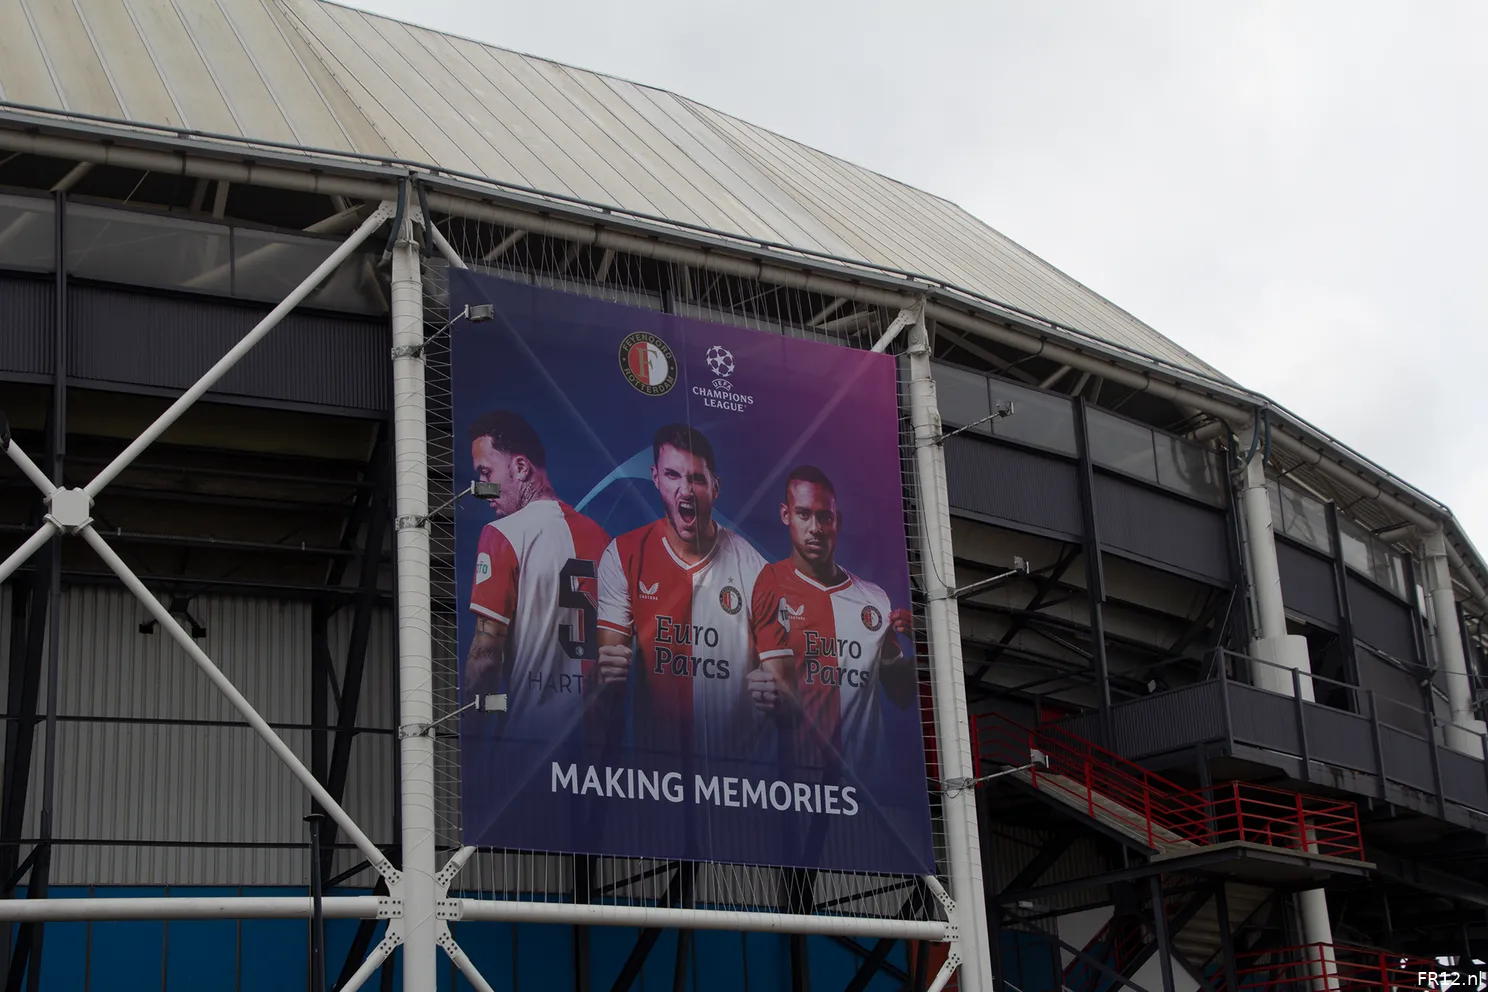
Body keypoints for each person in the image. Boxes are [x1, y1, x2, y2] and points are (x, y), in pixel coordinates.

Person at [594, 423, 768, 760]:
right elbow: (606, 676)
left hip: (734, 773)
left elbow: (785, 678)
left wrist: (778, 687)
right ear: (655, 478)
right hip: (656, 772)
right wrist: (604, 673)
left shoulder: (754, 567)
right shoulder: (624, 555)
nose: (685, 491)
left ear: (715, 488)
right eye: (673, 475)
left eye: (697, 479)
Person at [746, 465, 915, 772]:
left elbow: (901, 694)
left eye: (825, 517)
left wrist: (926, 643)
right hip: (800, 781)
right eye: (803, 514)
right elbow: (777, 696)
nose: (816, 528)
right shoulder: (770, 582)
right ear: (785, 515)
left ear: (838, 521)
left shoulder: (874, 598)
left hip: (870, 783)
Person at [464, 410, 610, 744]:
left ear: (520, 467)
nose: (483, 491)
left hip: (531, 744)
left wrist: (470, 743)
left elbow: (485, 661)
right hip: (597, 754)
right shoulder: (604, 540)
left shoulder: (502, 534)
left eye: (486, 473)